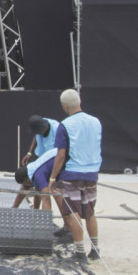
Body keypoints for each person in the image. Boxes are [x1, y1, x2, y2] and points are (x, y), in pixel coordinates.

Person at [47, 89, 103, 261]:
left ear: (65, 106)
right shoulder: (96, 122)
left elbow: (61, 155)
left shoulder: (65, 125)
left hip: (72, 173)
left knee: (74, 212)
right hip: (92, 172)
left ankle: (80, 252)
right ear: (79, 101)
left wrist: (52, 177)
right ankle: (95, 250)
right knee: (90, 212)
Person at [13, 116, 59, 209]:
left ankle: (38, 213)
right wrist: (29, 153)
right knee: (32, 184)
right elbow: (36, 137)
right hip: (42, 160)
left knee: (42, 188)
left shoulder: (57, 129)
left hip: (53, 161)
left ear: (43, 129)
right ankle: (15, 208)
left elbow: (46, 196)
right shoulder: (40, 125)